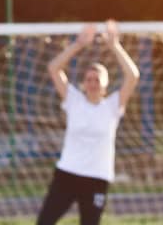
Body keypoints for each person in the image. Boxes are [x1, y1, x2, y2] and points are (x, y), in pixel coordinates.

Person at [36, 20, 140, 225]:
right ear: (84, 83)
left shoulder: (112, 106)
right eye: (89, 79)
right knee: (44, 222)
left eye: (97, 79)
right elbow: (54, 68)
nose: (92, 83)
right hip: (67, 174)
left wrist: (114, 45)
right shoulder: (73, 100)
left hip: (97, 177)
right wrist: (79, 44)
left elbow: (133, 76)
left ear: (105, 85)